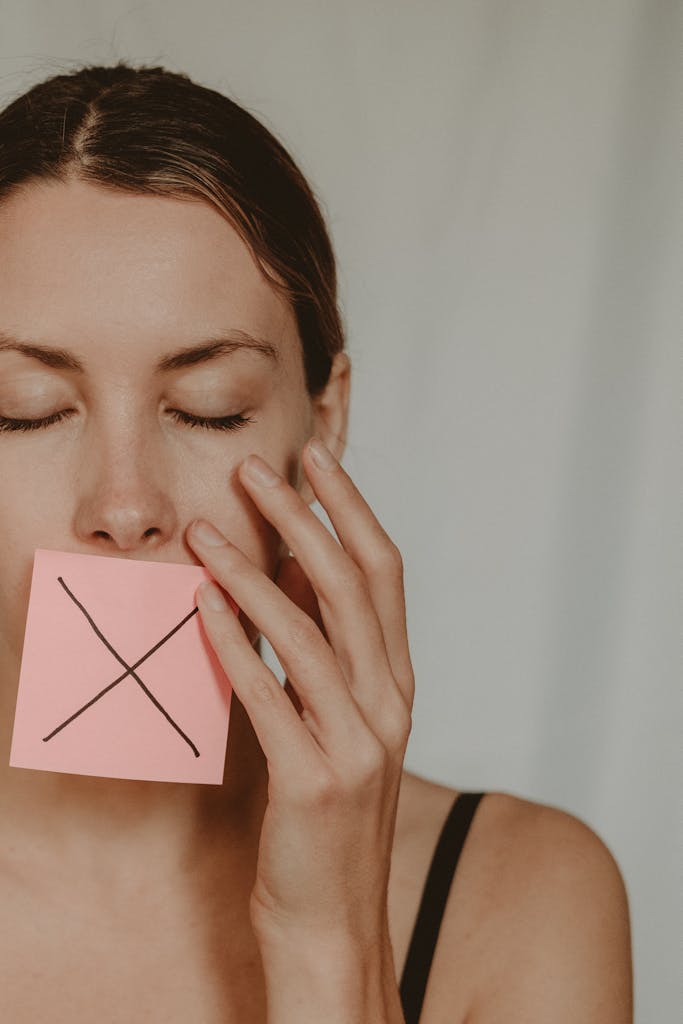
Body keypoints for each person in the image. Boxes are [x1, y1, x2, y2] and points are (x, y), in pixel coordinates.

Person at [0, 61, 632, 1023]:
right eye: (26, 411)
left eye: (208, 412)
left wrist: (331, 945)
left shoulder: (515, 894)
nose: (124, 507)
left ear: (322, 424)